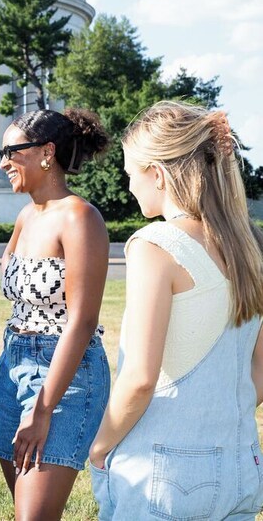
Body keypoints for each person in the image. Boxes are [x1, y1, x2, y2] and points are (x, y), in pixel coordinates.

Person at [89, 101, 263, 519]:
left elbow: (140, 379)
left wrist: (100, 446)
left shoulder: (156, 245)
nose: (129, 186)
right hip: (242, 463)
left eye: (132, 174)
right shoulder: (250, 245)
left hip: (163, 473)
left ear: (159, 174)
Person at [0, 108, 112, 520]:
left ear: (46, 152)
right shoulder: (26, 215)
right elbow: (13, 267)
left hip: (64, 373)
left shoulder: (80, 217)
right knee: (27, 508)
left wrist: (42, 410)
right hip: (12, 365)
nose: (4, 161)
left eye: (12, 151)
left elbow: (81, 321)